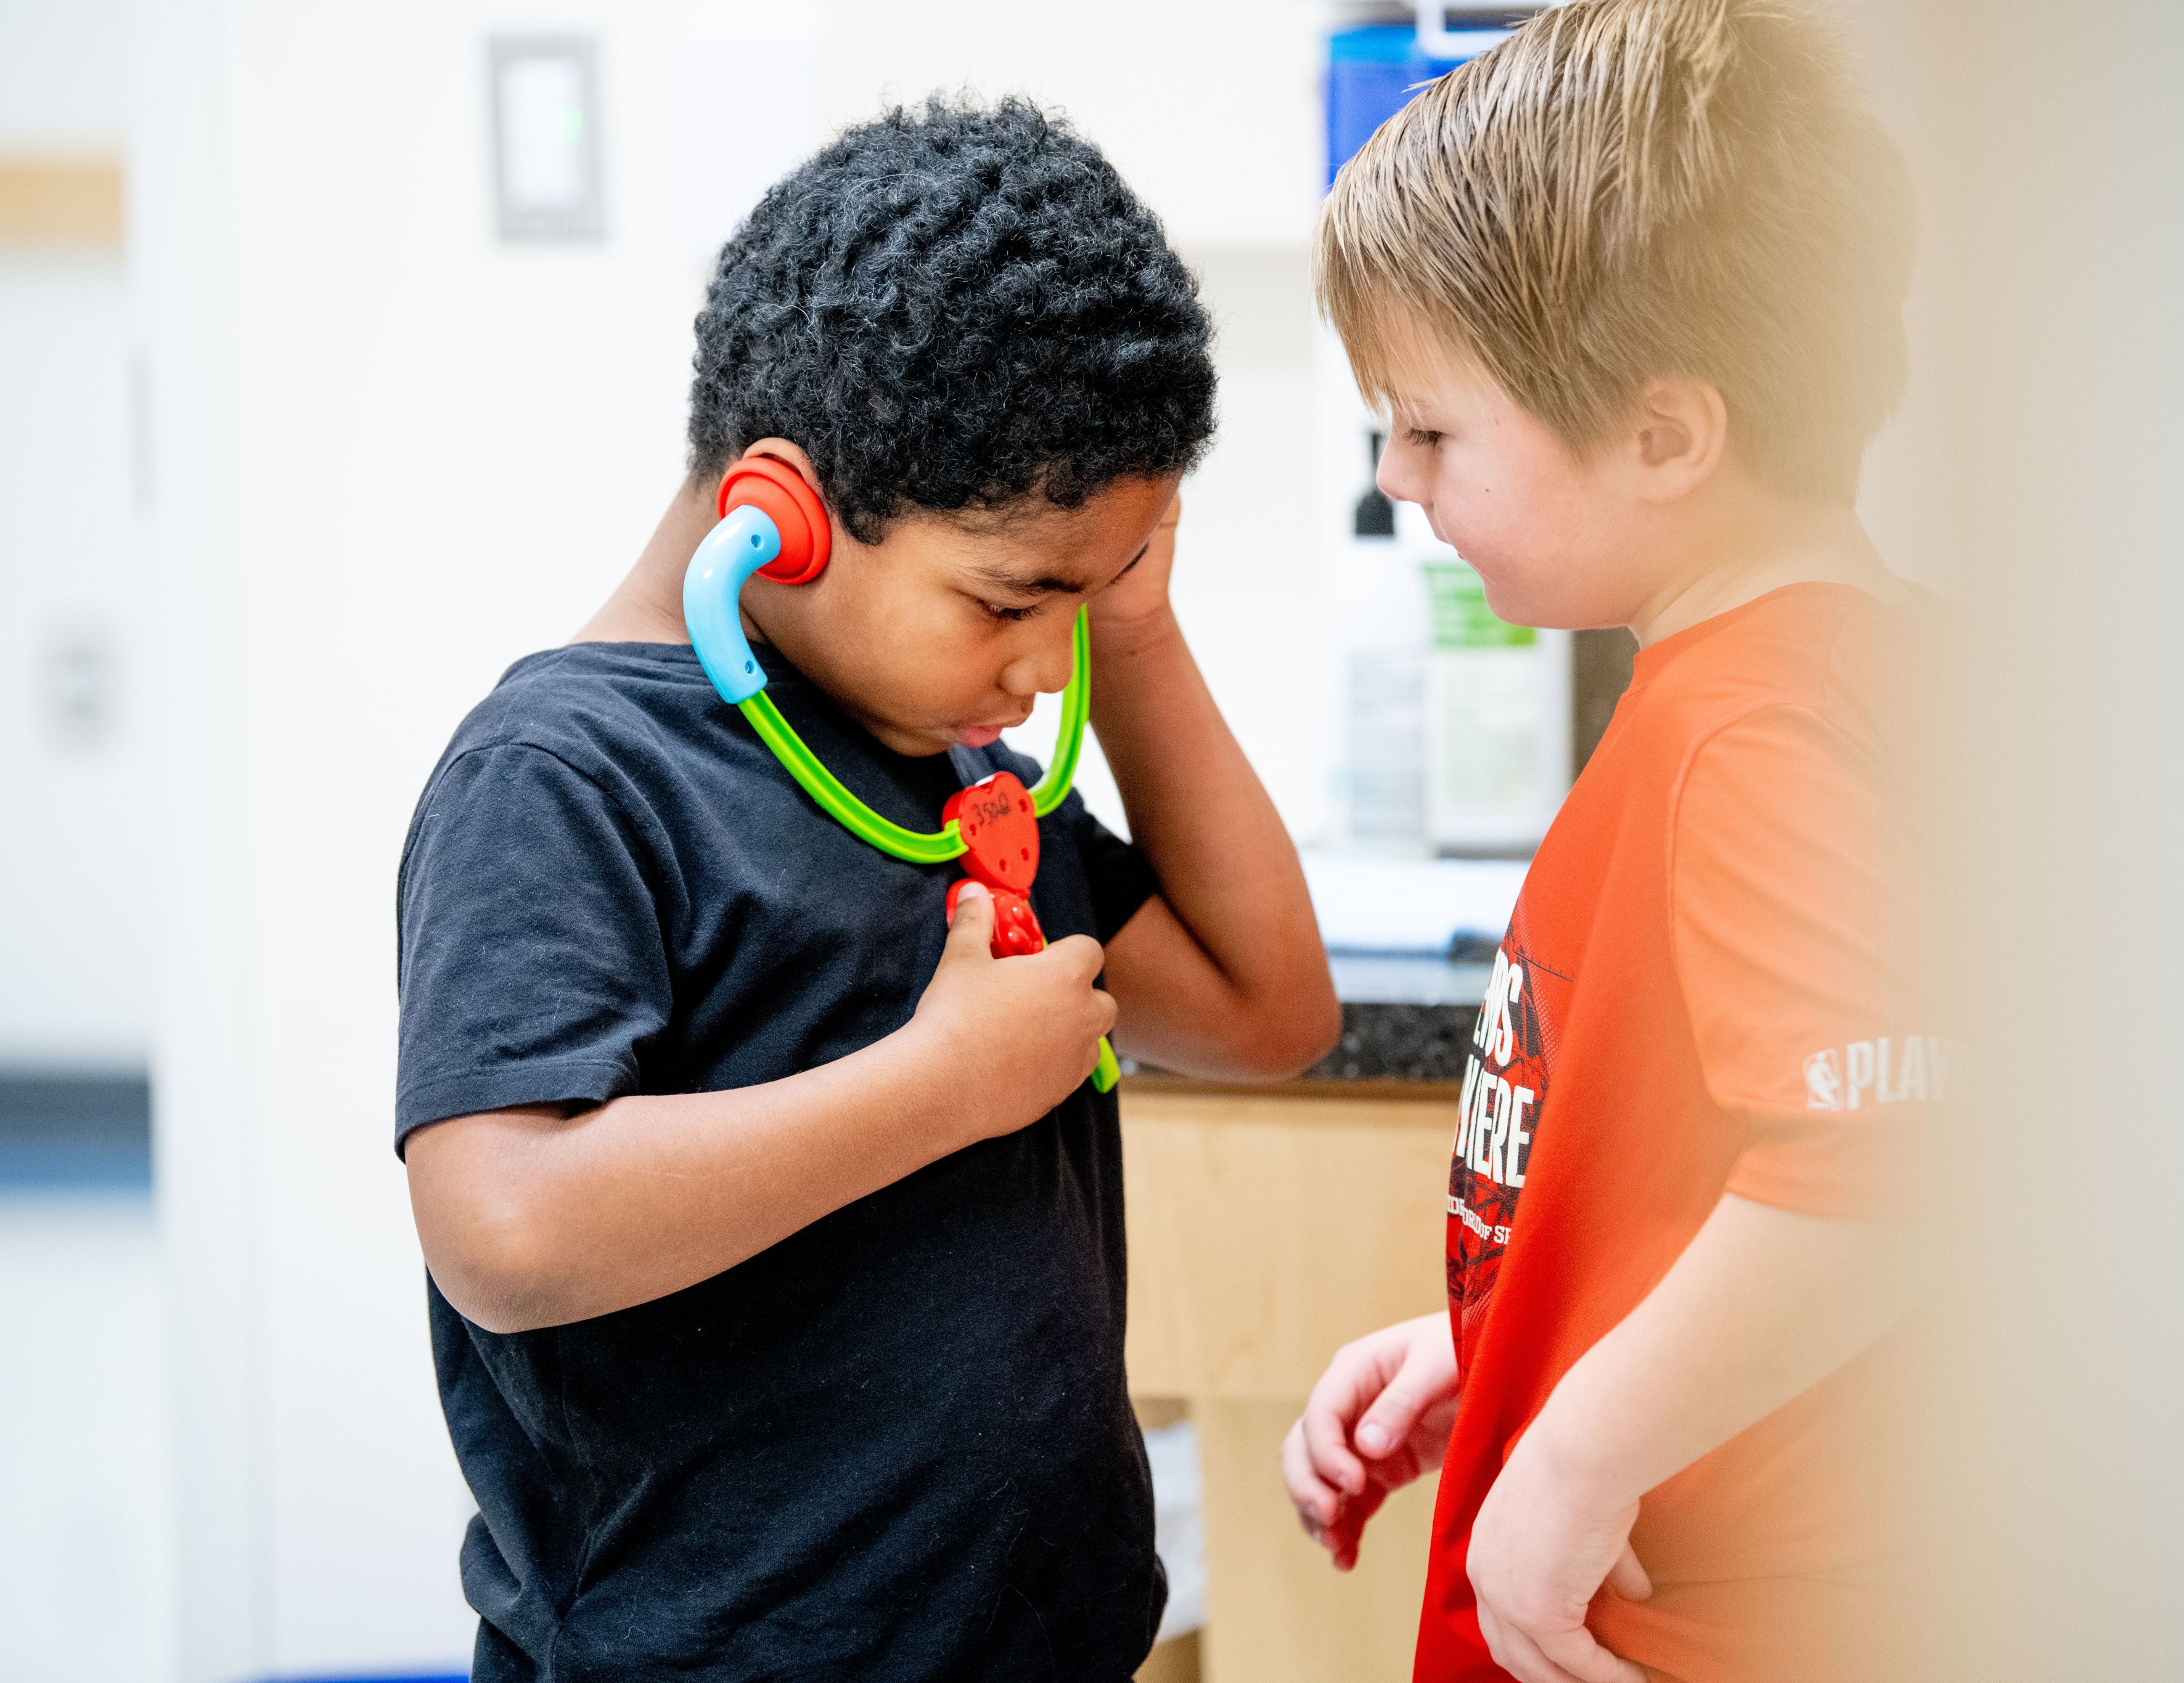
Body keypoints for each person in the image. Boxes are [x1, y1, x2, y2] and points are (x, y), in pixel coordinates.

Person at [395, 99, 1338, 1681]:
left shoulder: (942, 760)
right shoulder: (560, 776)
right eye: (1009, 598)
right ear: (782, 518)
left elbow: (1267, 1010)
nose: (1046, 671)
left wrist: (1142, 632)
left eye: (1082, 600)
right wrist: (940, 1083)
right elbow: (503, 1221)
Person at [1283, 4, 1944, 1680]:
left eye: (1433, 428)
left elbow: (1882, 1166)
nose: (1398, 475)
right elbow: (1739, 1155)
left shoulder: (1753, 736)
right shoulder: (1853, 672)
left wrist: (1576, 1452)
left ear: (1666, 434)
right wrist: (1518, 1342)